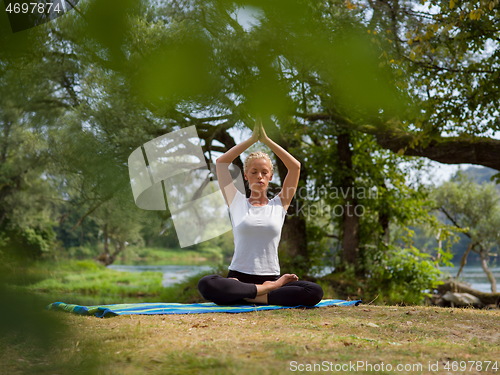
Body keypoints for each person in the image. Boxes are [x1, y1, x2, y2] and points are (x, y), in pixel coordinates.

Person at [197, 120, 323, 306]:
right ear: (246, 176)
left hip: (271, 277)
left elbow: (295, 167)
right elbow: (221, 162)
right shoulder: (236, 201)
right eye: (254, 172)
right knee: (206, 284)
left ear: (271, 177)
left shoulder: (280, 204)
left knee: (314, 291)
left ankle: (246, 296)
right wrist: (251, 140)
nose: (260, 176)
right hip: (240, 279)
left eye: (264, 172)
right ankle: (264, 292)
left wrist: (266, 140)